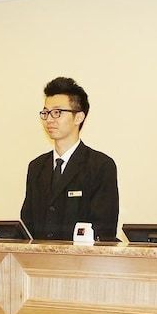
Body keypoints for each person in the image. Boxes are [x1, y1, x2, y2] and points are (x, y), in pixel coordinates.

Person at [21, 77, 119, 241]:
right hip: (39, 256)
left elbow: (104, 229)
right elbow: (27, 225)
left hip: (81, 256)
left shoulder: (100, 165)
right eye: (45, 113)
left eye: (57, 112)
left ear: (78, 117)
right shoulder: (36, 167)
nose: (49, 119)